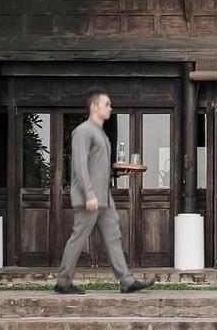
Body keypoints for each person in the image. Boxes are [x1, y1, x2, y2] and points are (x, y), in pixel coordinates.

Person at [55, 90, 156, 295]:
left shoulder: (101, 134)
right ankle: (63, 282)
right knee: (79, 238)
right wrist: (90, 194)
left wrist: (118, 172)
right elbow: (80, 165)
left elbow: (98, 167)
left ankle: (126, 281)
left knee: (113, 236)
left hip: (104, 197)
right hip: (89, 198)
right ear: (94, 107)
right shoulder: (83, 131)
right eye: (107, 104)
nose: (110, 108)